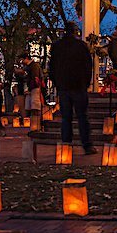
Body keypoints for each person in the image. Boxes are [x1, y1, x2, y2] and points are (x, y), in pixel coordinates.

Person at [49, 22, 97, 155]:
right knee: (82, 117)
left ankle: (66, 144)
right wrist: (86, 83)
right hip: (78, 86)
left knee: (66, 118)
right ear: (75, 31)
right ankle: (87, 145)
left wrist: (57, 83)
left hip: (64, 87)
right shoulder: (81, 46)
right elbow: (88, 67)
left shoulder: (57, 47)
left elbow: (51, 67)